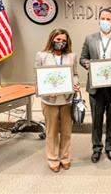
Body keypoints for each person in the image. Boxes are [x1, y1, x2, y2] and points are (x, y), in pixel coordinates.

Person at [80, 8, 111, 163]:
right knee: (96, 121)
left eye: (108, 19)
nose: (105, 21)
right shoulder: (90, 39)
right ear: (99, 20)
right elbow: (82, 58)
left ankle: (109, 147)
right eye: (103, 18)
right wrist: (87, 64)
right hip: (95, 88)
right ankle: (96, 148)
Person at [35, 28, 80, 172]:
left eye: (64, 41)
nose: (61, 42)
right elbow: (38, 77)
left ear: (67, 43)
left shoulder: (72, 56)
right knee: (52, 132)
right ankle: (53, 158)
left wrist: (75, 83)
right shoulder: (41, 56)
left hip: (67, 100)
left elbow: (75, 74)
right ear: (52, 39)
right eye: (58, 39)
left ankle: (65, 157)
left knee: (66, 132)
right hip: (49, 101)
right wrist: (46, 90)